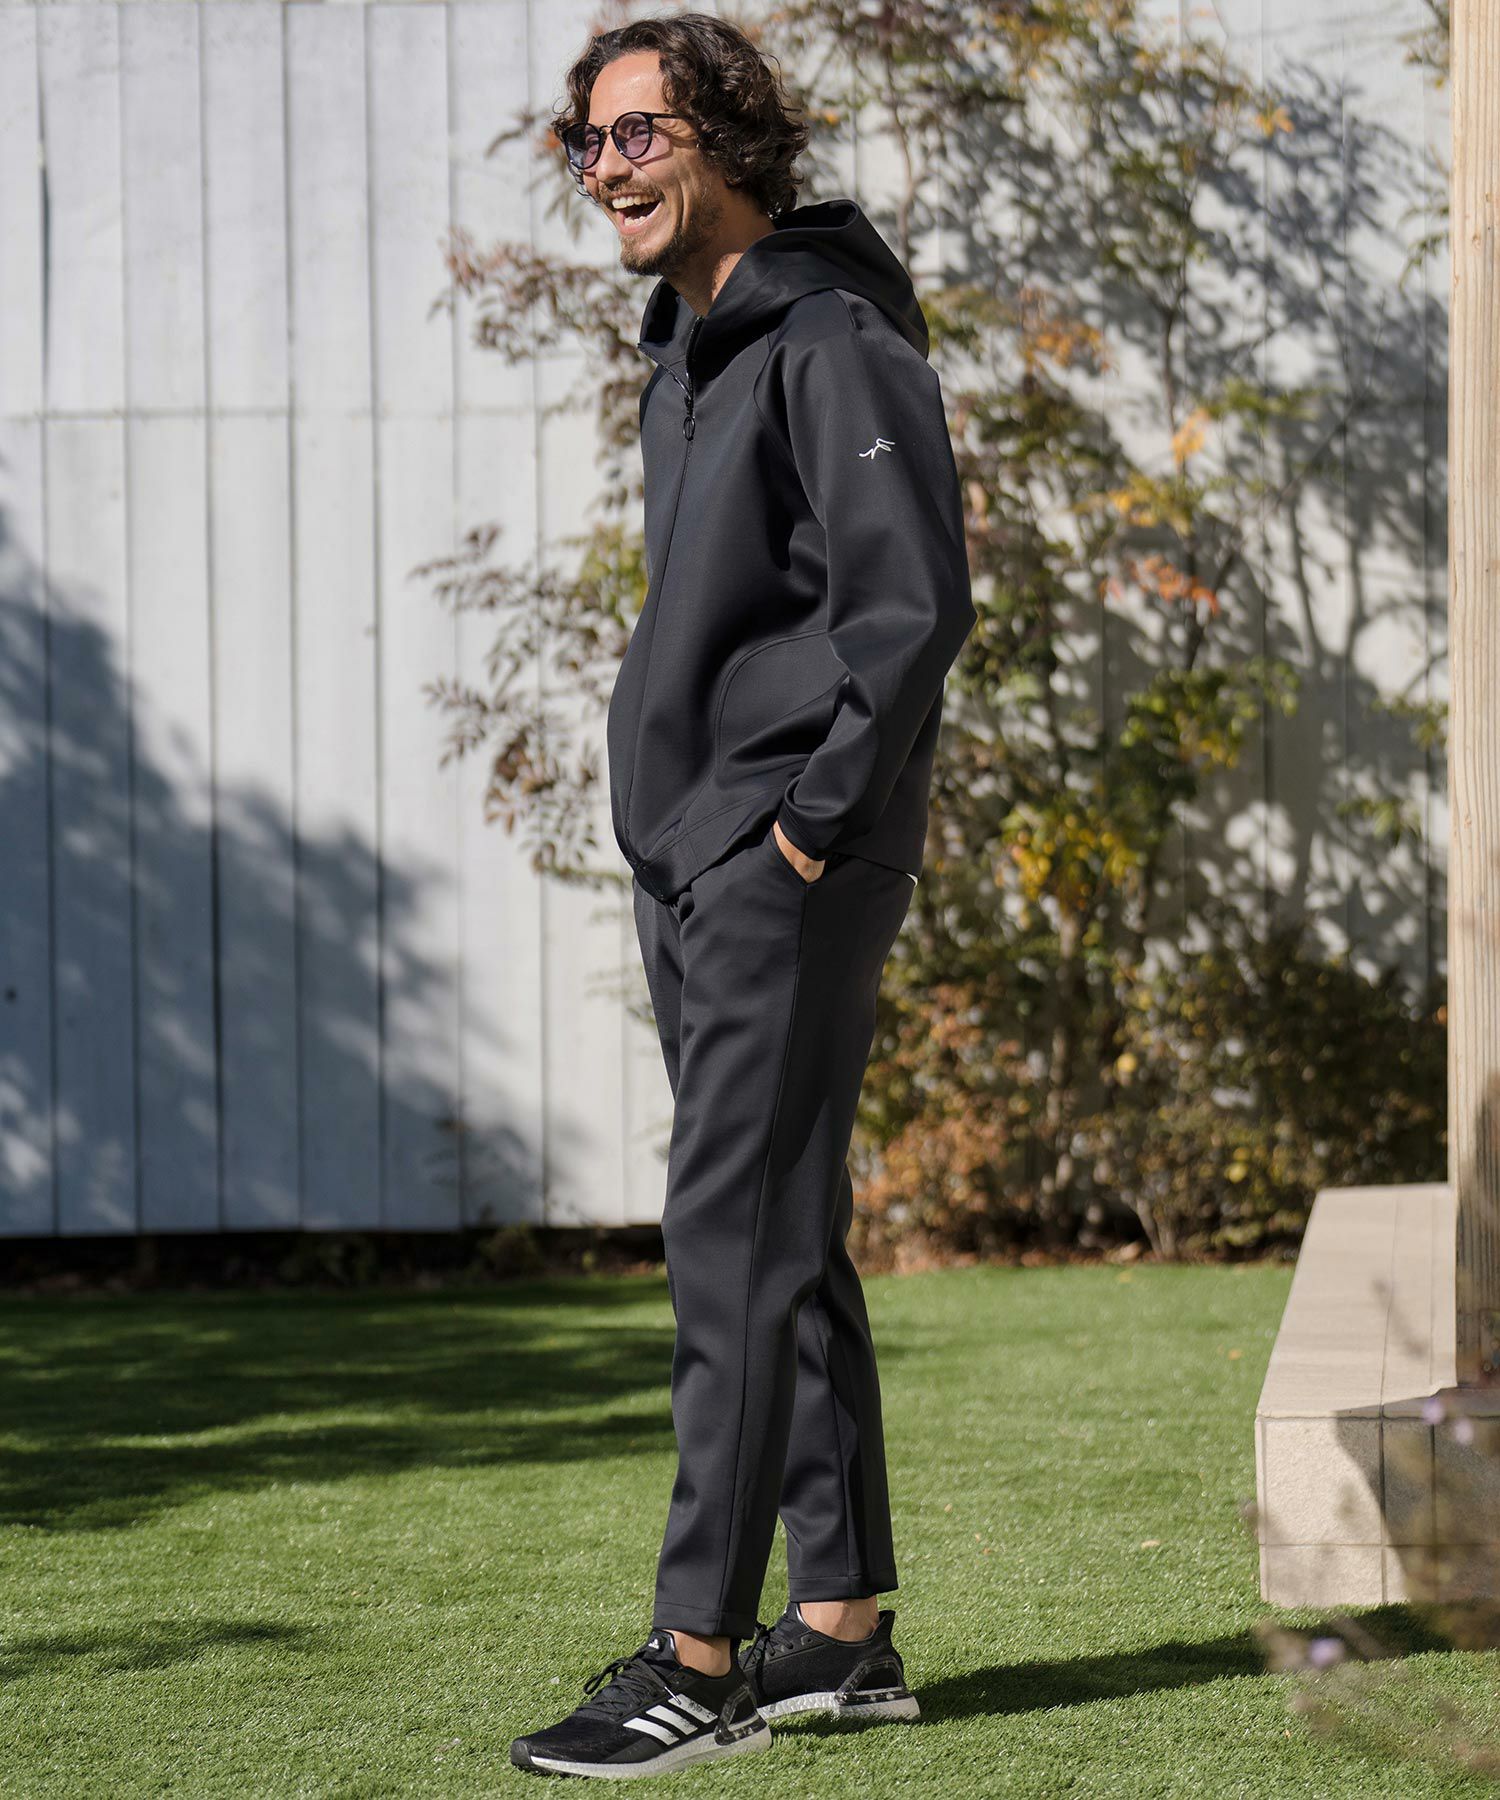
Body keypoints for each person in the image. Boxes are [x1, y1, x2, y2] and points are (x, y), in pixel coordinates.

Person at [510, 12, 975, 1780]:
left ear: (725, 139)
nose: (604, 169)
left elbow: (911, 608)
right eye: (588, 142)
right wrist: (694, 835)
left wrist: (807, 825)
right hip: (703, 857)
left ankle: (696, 1655)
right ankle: (838, 1629)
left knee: (727, 1236)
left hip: (787, 857)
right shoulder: (691, 356)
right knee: (786, 1229)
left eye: (637, 134)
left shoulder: (832, 340)